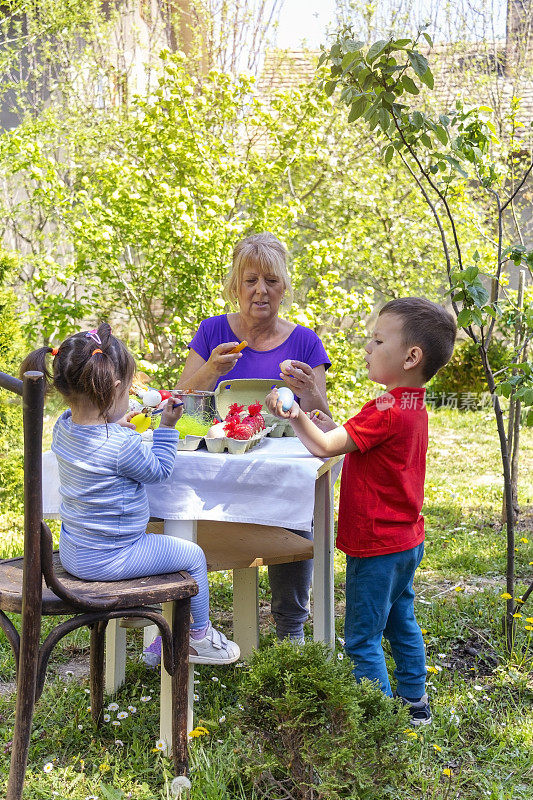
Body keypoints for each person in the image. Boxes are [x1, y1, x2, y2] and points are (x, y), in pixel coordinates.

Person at [266, 297, 457, 725]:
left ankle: (380, 723)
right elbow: (352, 439)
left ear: (411, 357)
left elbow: (323, 447)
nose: (367, 347)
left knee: (361, 639)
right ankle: (415, 703)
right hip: (405, 540)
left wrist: (294, 413)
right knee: (399, 620)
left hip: (375, 545)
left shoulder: (386, 409)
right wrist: (327, 422)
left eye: (377, 340)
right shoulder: (408, 405)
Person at [21, 323, 240, 667]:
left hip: (77, 551)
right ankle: (198, 638)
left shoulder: (62, 426)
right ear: (116, 389)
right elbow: (158, 470)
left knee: (157, 542)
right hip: (113, 559)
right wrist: (167, 427)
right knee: (193, 557)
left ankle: (145, 616)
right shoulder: (121, 446)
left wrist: (113, 423)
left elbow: (93, 435)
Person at [177, 232, 331, 642]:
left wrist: (311, 391)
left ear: (284, 287)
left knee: (299, 510)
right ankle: (181, 624)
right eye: (250, 281)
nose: (261, 291)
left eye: (271, 281)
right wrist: (211, 370)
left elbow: (325, 420)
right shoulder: (212, 333)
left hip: (274, 472)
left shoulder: (304, 341)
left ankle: (290, 631)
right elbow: (179, 412)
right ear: (235, 286)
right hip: (215, 471)